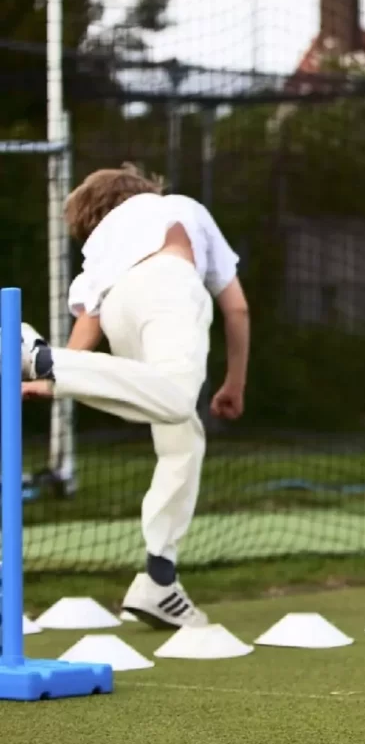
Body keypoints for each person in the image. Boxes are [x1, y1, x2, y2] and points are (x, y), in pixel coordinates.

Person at [17, 163, 250, 628]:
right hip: (172, 291)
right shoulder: (181, 208)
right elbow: (237, 307)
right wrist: (234, 383)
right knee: (179, 402)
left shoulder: (102, 244)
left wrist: (53, 379)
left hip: (120, 307)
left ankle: (159, 582)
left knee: (180, 435)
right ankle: (33, 351)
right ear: (143, 190)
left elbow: (90, 324)